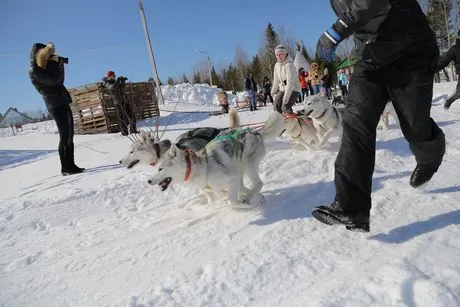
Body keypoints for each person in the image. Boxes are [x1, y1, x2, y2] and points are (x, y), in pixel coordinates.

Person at [312, 0, 446, 232]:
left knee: (414, 124)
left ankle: (430, 154)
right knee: (355, 120)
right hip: (371, 56)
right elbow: (363, 27)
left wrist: (338, 29)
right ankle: (351, 207)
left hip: (410, 47)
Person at [29, 42, 84, 176]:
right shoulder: (34, 70)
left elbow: (59, 80)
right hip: (55, 104)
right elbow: (55, 81)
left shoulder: (47, 66)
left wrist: (58, 63)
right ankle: (65, 167)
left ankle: (71, 164)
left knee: (70, 135)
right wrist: (57, 64)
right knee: (64, 136)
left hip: (62, 101)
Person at [101, 71, 138, 135]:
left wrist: (123, 81)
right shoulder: (107, 83)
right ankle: (124, 132)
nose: (115, 77)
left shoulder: (115, 82)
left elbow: (122, 88)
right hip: (118, 102)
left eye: (115, 76)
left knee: (132, 115)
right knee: (122, 118)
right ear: (109, 77)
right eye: (113, 76)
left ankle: (133, 130)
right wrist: (118, 80)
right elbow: (113, 88)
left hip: (124, 101)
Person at [271, 45, 301, 114]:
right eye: (277, 55)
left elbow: (290, 83)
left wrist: (286, 98)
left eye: (281, 54)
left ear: (285, 54)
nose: (279, 57)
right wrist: (273, 91)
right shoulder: (276, 65)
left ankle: (291, 123)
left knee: (285, 106)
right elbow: (276, 80)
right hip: (283, 89)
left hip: (294, 89)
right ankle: (280, 120)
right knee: (276, 104)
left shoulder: (289, 65)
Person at [437, 29, 460, 110]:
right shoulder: (455, 49)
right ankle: (448, 102)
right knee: (459, 93)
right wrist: (435, 69)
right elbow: (445, 60)